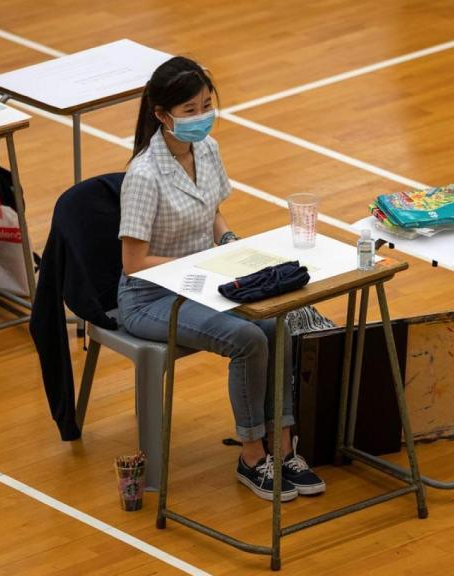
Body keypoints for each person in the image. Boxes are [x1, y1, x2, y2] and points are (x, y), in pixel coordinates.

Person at [117, 56, 325, 501]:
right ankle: (252, 458)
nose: (202, 117)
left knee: (278, 324)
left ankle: (284, 446)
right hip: (151, 297)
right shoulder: (143, 175)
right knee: (248, 339)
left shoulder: (207, 149)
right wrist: (196, 267)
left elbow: (212, 211)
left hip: (201, 281)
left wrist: (231, 243)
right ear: (161, 115)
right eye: (190, 110)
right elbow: (133, 263)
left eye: (206, 105)